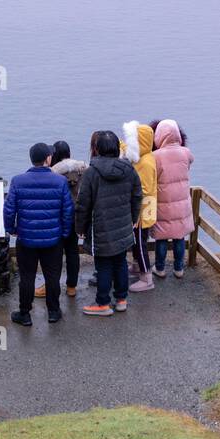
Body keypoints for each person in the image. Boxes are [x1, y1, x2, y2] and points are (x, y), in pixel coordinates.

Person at [5, 142, 74, 326]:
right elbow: (68, 210)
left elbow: (9, 209)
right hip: (53, 239)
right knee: (52, 276)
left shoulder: (18, 181)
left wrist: (11, 228)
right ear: (48, 159)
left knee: (27, 276)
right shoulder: (60, 181)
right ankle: (53, 311)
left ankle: (25, 313)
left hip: (26, 238)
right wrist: (65, 232)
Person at [75, 130, 142, 315]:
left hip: (101, 227)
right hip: (123, 226)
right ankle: (121, 300)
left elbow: (83, 203)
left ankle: (103, 303)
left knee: (103, 265)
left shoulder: (91, 173)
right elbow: (137, 194)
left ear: (97, 149)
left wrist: (80, 227)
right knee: (120, 262)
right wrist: (134, 217)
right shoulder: (128, 169)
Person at [151, 118, 194, 278]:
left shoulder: (155, 156)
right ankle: (178, 268)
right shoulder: (185, 152)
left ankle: (160, 268)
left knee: (161, 238)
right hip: (182, 202)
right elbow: (190, 161)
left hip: (163, 202)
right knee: (179, 236)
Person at [122, 120, 158, 292]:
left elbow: (142, 190)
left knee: (140, 244)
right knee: (138, 242)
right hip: (144, 210)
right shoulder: (145, 157)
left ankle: (146, 277)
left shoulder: (145, 163)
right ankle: (137, 266)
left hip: (141, 213)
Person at [50, 140, 89, 298]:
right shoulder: (83, 170)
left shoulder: (53, 173)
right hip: (77, 216)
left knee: (55, 253)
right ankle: (71, 287)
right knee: (73, 252)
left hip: (58, 218)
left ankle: (51, 285)